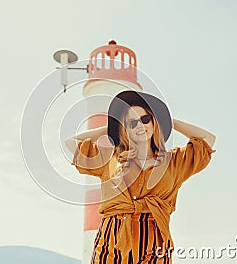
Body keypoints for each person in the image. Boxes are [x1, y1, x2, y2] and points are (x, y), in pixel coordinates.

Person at [66, 90, 216, 264]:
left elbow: (208, 139)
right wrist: (110, 128)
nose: (140, 126)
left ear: (153, 121)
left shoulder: (174, 162)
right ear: (124, 129)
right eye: (131, 123)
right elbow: (71, 143)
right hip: (113, 240)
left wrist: (168, 120)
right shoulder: (110, 159)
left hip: (155, 241)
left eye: (145, 119)